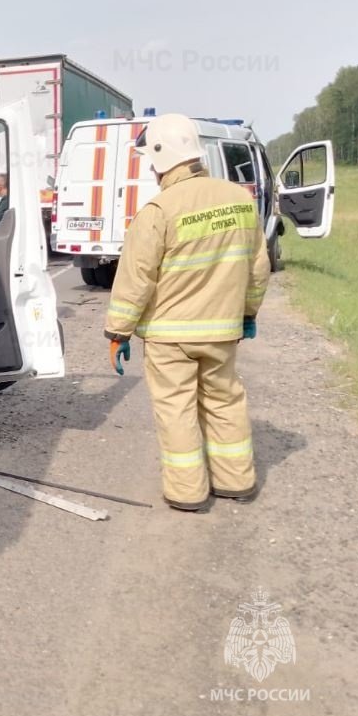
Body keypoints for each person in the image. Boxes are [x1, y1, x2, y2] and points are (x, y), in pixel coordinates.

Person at [103, 113, 270, 512]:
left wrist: (118, 333)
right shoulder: (239, 200)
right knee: (225, 402)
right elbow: (258, 268)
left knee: (176, 410)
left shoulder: (159, 210)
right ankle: (236, 480)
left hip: (170, 337)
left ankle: (187, 491)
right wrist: (247, 313)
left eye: (150, 159)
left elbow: (135, 279)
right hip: (222, 332)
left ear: (162, 156)